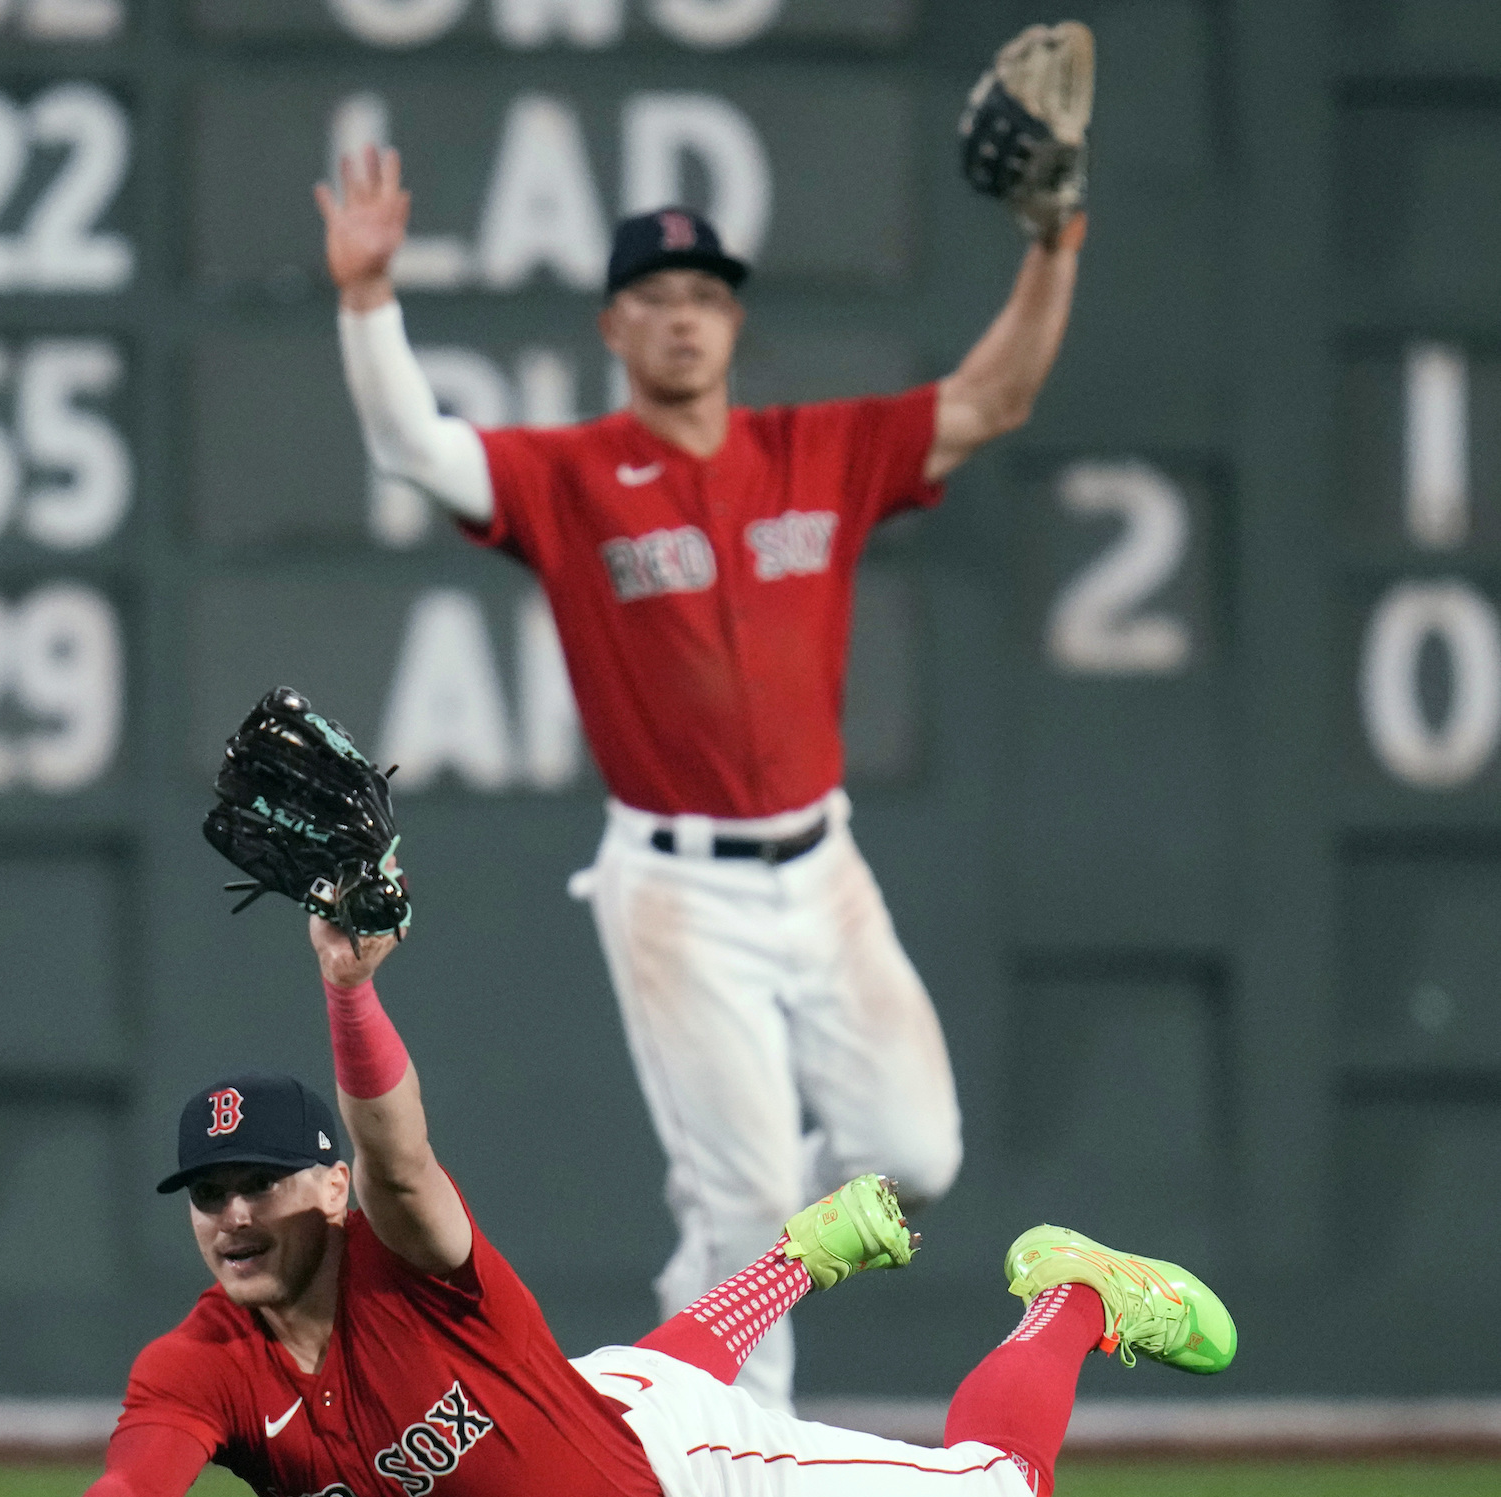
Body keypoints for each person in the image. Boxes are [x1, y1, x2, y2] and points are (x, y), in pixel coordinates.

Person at [314, 148, 1089, 1412]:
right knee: (744, 1198)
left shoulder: (818, 452)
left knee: (916, 1159)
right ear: (614, 323)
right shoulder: (572, 477)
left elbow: (990, 400)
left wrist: (1054, 241)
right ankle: (735, 1446)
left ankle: (722, 1259)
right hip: (678, 885)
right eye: (656, 294)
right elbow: (411, 442)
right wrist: (367, 300)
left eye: (706, 294)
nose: (682, 313)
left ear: (733, 320)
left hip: (820, 865)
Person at [0, 913, 1233, 1497]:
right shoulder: (200, 1359)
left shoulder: (403, 1255)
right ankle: (805, 1250)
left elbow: (397, 1153)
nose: (227, 1215)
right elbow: (133, 1491)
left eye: (258, 1183)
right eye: (205, 1192)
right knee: (623, 1377)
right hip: (596, 1397)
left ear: (326, 1194)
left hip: (692, 1486)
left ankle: (1073, 1295)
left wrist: (348, 990)